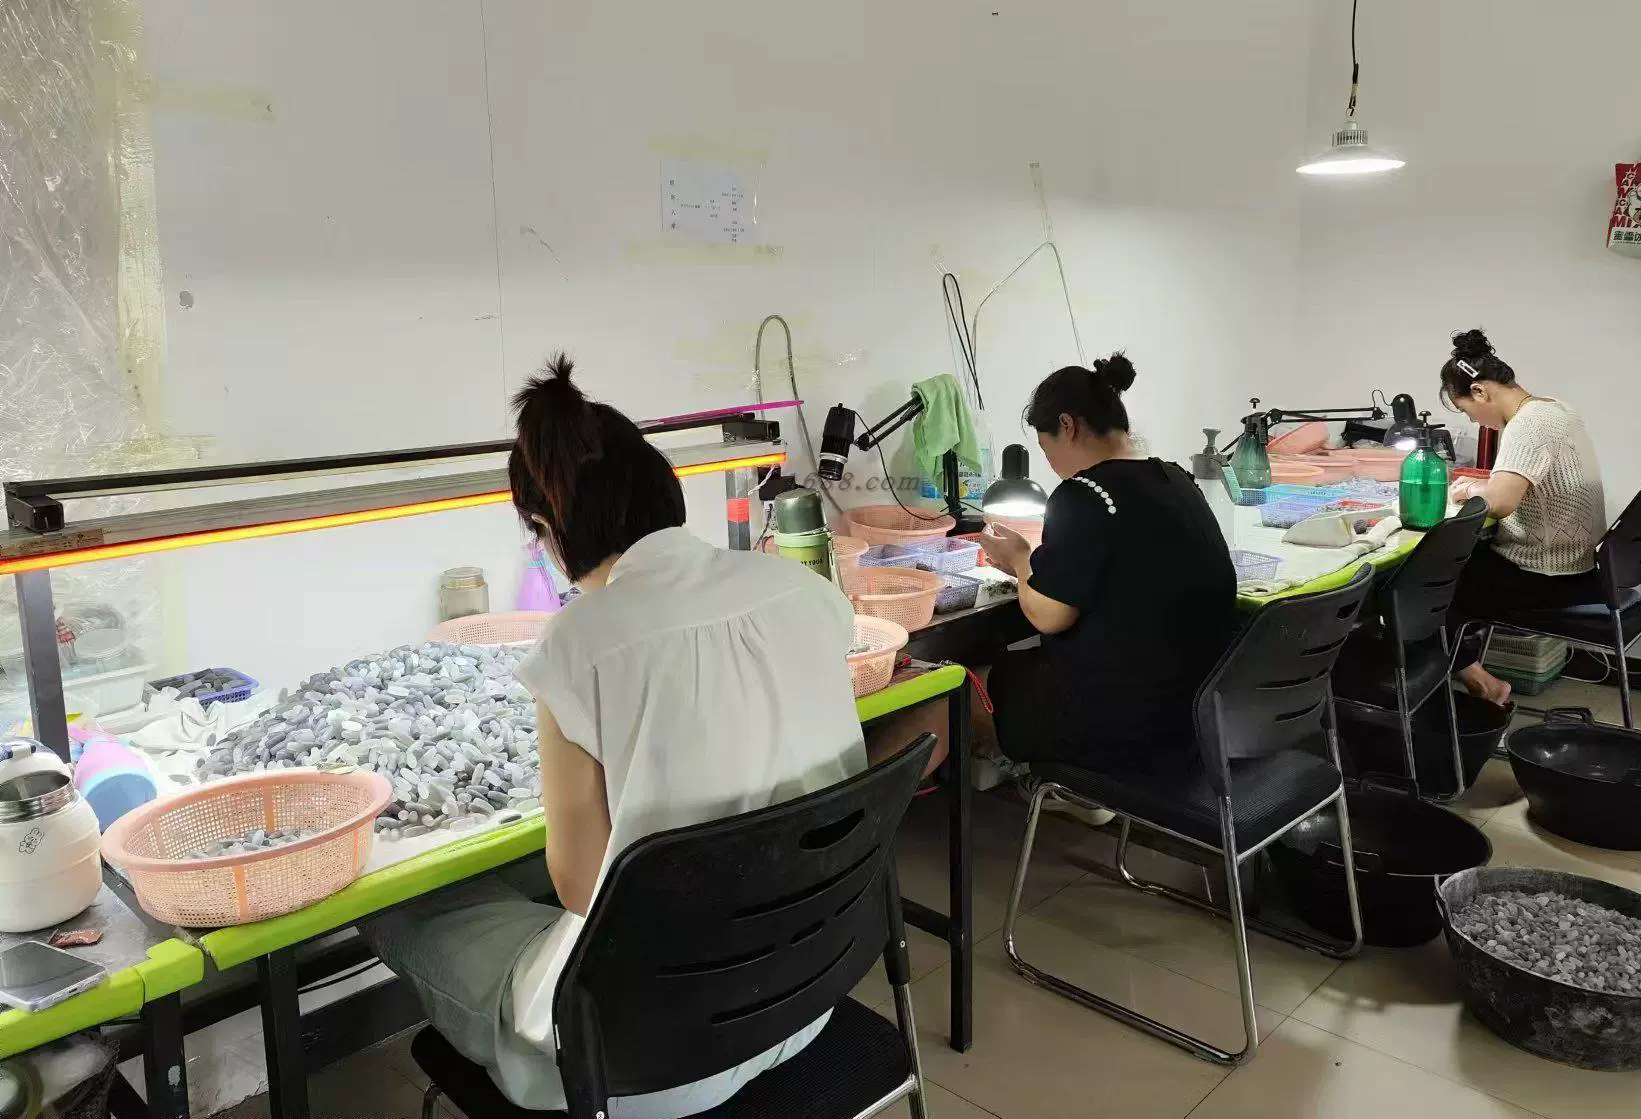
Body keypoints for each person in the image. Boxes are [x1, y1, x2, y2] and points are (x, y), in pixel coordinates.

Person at [363, 356, 867, 1116]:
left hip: (646, 1065)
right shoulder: (804, 590)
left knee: (398, 902)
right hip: (806, 996)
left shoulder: (580, 643)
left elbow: (579, 883)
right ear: (665, 489)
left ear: (546, 528)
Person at [976, 353, 1238, 787]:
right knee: (1023, 671)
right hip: (1192, 718)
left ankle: (866, 812)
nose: (1052, 466)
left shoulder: (1086, 493)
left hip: (1119, 728)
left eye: (1047, 451)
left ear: (1067, 425)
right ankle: (1078, 797)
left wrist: (1020, 560)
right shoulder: (1177, 478)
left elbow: (1049, 616)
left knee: (965, 686)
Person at [1440, 329, 1607, 706]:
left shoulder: (1527, 424)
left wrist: (1469, 488)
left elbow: (1500, 502)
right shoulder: (1557, 409)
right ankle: (1467, 673)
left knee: (1423, 583)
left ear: (1480, 392)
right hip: (1579, 565)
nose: (1475, 422)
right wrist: (1483, 485)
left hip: (1546, 575)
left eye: (1466, 411)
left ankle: (1479, 683)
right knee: (1450, 569)